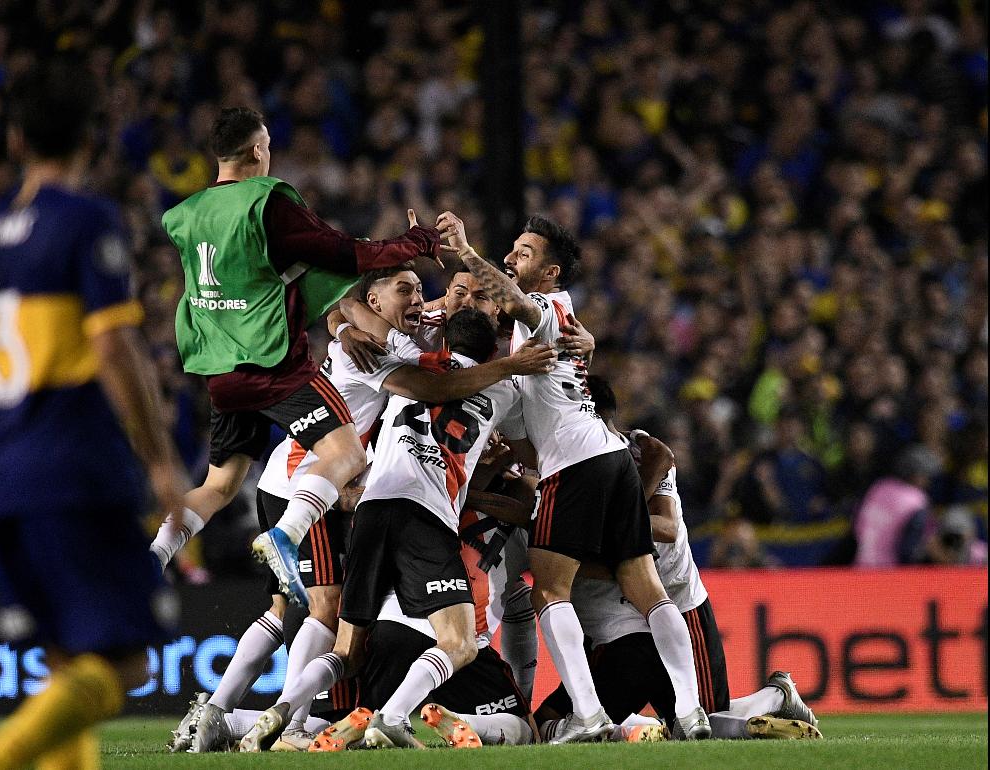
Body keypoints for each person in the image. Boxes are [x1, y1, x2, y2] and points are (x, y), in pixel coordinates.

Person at [0, 60, 186, 770]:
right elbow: (114, 347)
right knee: (128, 662)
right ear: (91, 141)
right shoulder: (84, 222)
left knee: (62, 661)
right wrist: (160, 460)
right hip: (75, 471)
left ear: (15, 140)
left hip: (2, 477)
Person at [182, 267, 554, 752]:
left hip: (368, 505)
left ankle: (274, 713)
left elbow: (346, 306)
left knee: (341, 643)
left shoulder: (405, 351)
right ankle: (374, 719)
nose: (462, 300)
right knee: (452, 641)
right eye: (459, 291)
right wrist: (516, 375)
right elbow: (353, 312)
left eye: (478, 297)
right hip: (358, 494)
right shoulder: (490, 380)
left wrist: (344, 326)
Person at [150, 106, 444, 605]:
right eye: (267, 147)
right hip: (274, 365)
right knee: (347, 455)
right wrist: (413, 242)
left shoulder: (186, 214)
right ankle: (285, 536)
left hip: (221, 373)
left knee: (219, 485)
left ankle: (154, 555)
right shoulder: (266, 203)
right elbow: (345, 253)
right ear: (257, 151)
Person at [438, 210, 711, 741]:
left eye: (523, 253)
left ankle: (587, 715)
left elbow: (517, 303)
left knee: (548, 592)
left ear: (551, 273)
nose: (511, 258)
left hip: (576, 463)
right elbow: (528, 431)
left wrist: (467, 253)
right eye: (512, 249)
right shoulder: (531, 338)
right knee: (648, 590)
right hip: (609, 457)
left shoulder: (547, 306)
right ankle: (690, 709)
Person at [536, 376, 820, 741]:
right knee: (686, 720)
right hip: (623, 616)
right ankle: (650, 726)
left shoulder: (644, 452)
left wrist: (592, 526)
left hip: (677, 597)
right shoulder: (575, 460)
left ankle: (776, 696)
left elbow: (667, 527)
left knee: (706, 720)